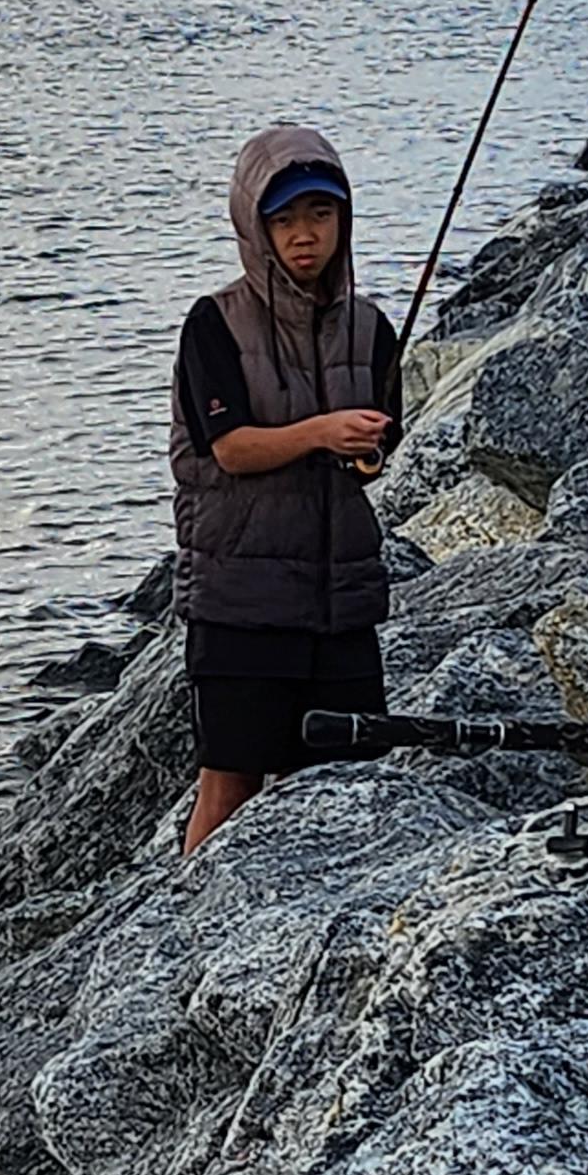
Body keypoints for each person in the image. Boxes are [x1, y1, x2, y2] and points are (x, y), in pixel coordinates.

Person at [170, 124, 400, 858]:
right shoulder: (213, 324)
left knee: (343, 786)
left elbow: (377, 455)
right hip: (240, 600)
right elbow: (231, 449)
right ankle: (185, 912)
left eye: (320, 215)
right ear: (256, 227)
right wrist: (324, 432)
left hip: (340, 606)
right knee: (229, 783)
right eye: (285, 219)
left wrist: (365, 456)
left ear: (343, 220)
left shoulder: (371, 328)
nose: (305, 236)